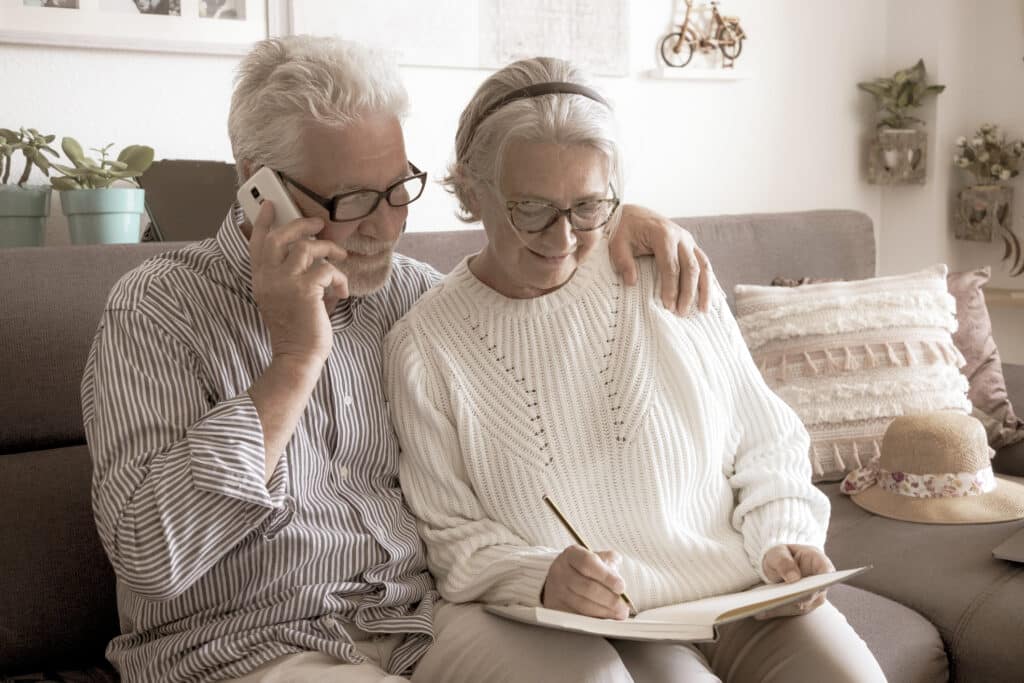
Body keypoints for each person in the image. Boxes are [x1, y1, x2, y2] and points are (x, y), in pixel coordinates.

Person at [82, 36, 712, 682]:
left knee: (596, 675)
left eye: (396, 189)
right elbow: (151, 555)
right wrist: (296, 360)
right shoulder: (157, 309)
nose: (386, 227)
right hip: (245, 644)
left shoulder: (412, 294)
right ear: (256, 185)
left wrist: (608, 228)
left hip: (419, 621)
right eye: (352, 201)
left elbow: (536, 332)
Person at [384, 56, 888, 682]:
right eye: (532, 209)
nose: (564, 237)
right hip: (617, 627)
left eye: (590, 206)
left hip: (752, 594)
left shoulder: (665, 272)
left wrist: (785, 542)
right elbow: (452, 538)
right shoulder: (426, 345)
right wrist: (541, 577)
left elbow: (769, 443)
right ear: (471, 189)